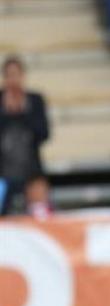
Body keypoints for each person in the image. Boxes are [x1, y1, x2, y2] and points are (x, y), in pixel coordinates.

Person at [0, 55, 51, 218]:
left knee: (40, 215)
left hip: (31, 172)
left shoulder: (35, 101)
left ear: (23, 76)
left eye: (16, 74)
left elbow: (44, 134)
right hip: (2, 173)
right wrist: (6, 114)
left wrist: (23, 112)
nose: (13, 80)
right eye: (9, 75)